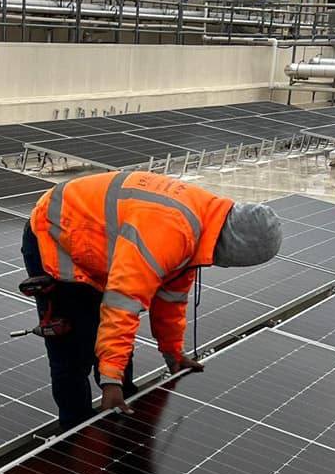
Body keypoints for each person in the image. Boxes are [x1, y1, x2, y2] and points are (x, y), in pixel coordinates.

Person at [21, 171, 283, 430]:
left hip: (98, 243)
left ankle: (120, 417)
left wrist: (172, 350)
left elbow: (171, 296)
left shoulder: (204, 221)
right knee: (74, 350)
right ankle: (74, 436)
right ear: (230, 246)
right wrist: (111, 378)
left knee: (114, 346)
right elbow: (123, 302)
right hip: (56, 237)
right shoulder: (170, 230)